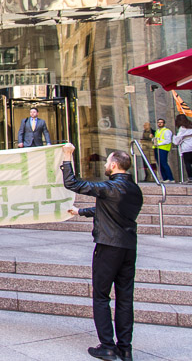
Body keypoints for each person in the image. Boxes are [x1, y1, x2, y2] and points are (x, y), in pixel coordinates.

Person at [62, 144, 143, 361]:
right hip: (128, 247)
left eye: (108, 162)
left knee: (101, 296)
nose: (106, 165)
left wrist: (68, 158)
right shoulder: (134, 189)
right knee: (125, 298)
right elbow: (109, 209)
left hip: (108, 247)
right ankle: (125, 349)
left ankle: (107, 346)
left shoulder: (111, 187)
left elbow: (73, 183)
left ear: (114, 165)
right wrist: (81, 211)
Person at [173, 114, 192, 183]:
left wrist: (174, 137)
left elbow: (177, 141)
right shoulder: (191, 126)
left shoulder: (182, 128)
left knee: (188, 163)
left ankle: (190, 177)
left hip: (186, 148)